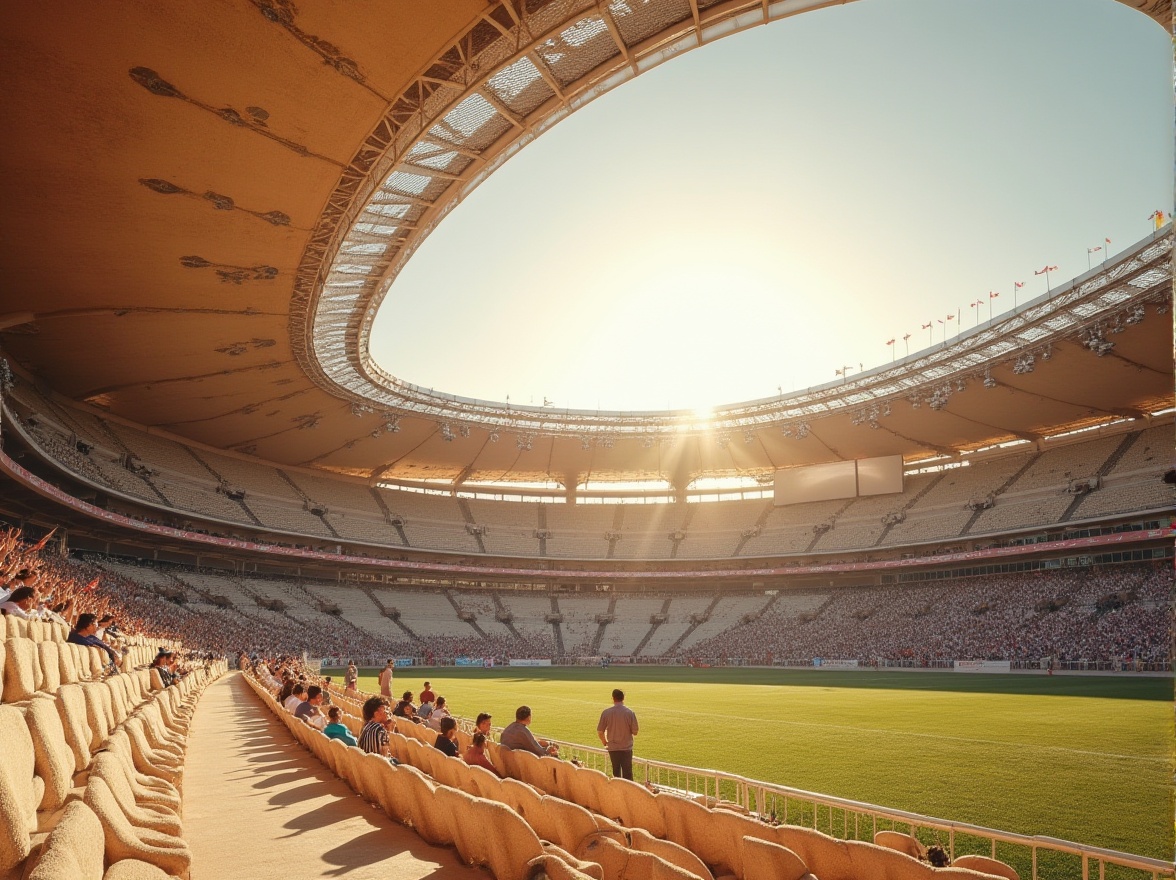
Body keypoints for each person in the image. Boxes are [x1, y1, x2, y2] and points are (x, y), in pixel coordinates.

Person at [597, 688, 639, 780]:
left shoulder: (606, 712)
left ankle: (618, 792)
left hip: (613, 748)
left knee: (616, 772)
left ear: (613, 698)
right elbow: (635, 732)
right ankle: (628, 792)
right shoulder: (629, 713)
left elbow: (600, 731)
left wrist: (605, 742)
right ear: (623, 698)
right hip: (626, 747)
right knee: (627, 773)